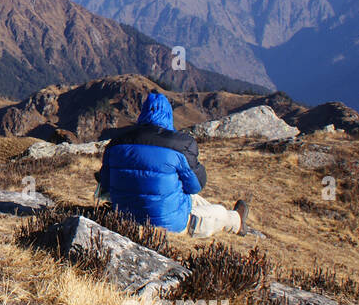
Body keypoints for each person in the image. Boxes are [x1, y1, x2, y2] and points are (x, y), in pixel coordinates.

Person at [95, 92, 248, 237]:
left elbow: (106, 184)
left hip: (124, 219)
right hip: (168, 225)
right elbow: (195, 186)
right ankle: (237, 222)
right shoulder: (181, 145)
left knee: (190, 197)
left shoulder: (115, 144)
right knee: (219, 213)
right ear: (168, 114)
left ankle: (224, 214)